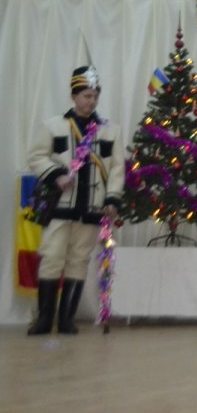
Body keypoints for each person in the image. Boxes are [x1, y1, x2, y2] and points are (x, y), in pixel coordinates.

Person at [26, 64, 124, 335]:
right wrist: (56, 175)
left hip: (92, 208)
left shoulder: (110, 131)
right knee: (52, 257)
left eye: (95, 96)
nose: (91, 101)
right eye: (86, 96)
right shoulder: (53, 126)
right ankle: (44, 319)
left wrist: (112, 199)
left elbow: (117, 169)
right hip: (61, 207)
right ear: (74, 96)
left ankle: (66, 319)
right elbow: (35, 156)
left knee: (79, 260)